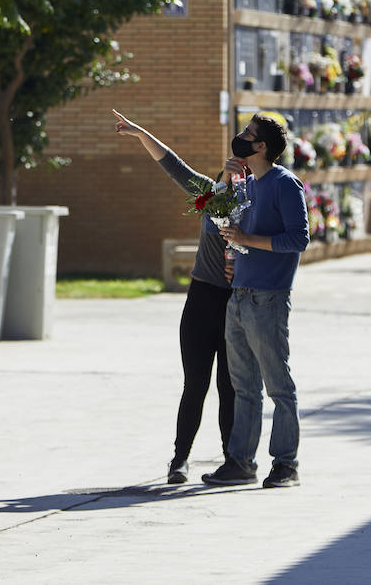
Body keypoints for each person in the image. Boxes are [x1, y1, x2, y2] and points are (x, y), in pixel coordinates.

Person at [111, 109, 236, 485]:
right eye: (229, 169)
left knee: (230, 385)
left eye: (241, 169)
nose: (234, 172)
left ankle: (234, 459)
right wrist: (139, 132)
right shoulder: (210, 196)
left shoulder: (260, 207)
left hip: (236, 304)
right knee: (195, 383)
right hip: (201, 299)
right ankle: (179, 460)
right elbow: (172, 163)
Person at [201, 114, 309, 489]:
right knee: (243, 386)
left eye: (248, 135)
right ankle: (241, 463)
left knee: (278, 386)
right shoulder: (247, 185)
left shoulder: (285, 184)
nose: (240, 138)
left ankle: (286, 465)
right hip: (240, 294)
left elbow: (298, 239)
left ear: (262, 147)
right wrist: (228, 182)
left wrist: (248, 240)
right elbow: (232, 227)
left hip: (269, 298)